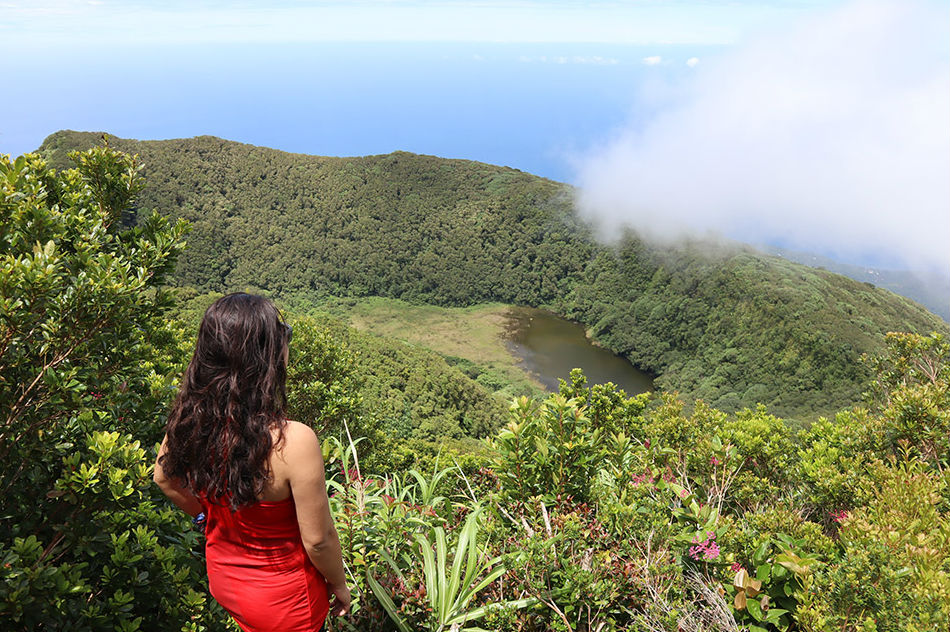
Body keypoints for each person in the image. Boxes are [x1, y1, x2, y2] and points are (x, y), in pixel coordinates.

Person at [154, 292, 350, 631]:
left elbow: (164, 478)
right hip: (286, 601)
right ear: (267, 355)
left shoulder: (191, 420)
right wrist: (340, 584)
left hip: (226, 581)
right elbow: (318, 540)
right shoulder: (294, 441)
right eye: (282, 333)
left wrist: (208, 515)